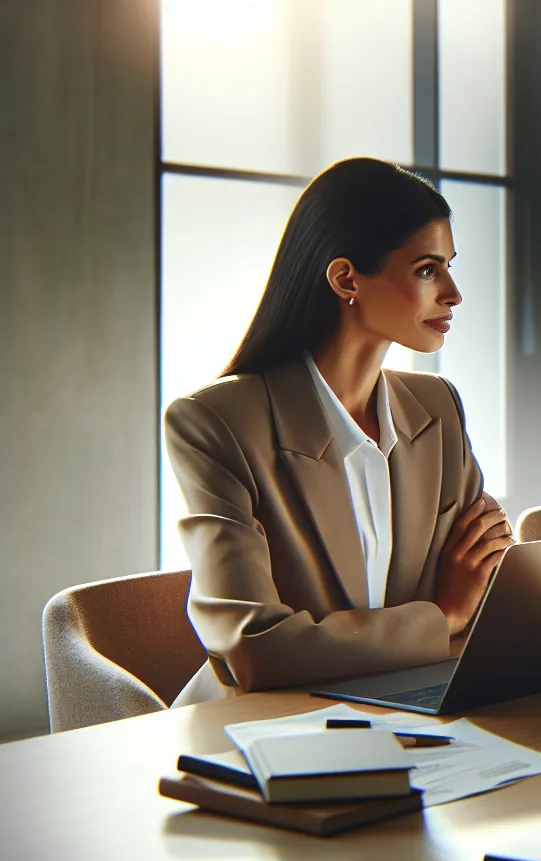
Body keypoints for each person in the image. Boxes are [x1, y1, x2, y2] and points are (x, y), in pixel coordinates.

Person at [164, 158, 513, 705]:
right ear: (346, 278)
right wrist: (441, 617)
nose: (453, 293)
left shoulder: (437, 405)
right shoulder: (214, 422)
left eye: (448, 266)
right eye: (427, 269)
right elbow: (256, 648)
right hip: (263, 731)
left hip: (418, 710)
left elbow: (490, 589)